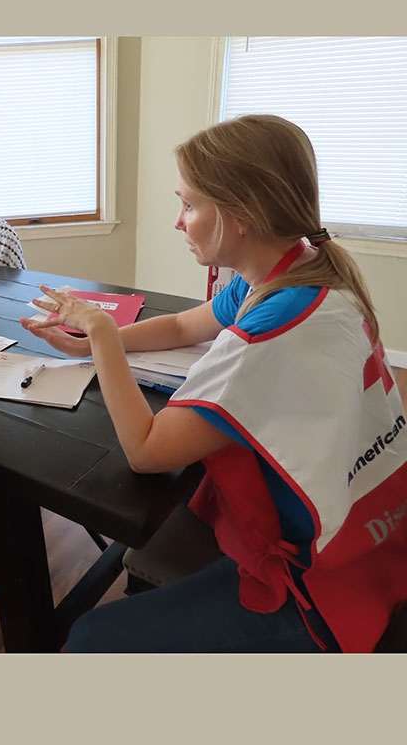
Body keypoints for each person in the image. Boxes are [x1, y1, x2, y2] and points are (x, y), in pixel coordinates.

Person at [20, 114, 407, 653]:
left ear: (241, 215)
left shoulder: (272, 334)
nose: (178, 222)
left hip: (329, 577)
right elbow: (183, 325)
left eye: (189, 204)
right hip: (381, 521)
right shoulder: (299, 266)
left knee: (88, 640)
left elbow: (146, 449)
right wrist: (90, 344)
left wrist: (102, 329)